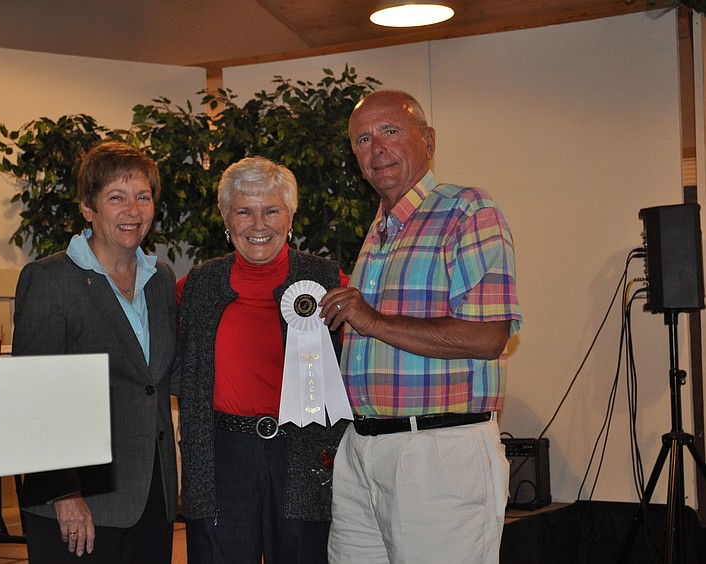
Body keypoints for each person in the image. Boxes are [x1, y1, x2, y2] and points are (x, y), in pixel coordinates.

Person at [319, 89, 522, 564]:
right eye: (363, 139)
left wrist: (372, 321)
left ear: (427, 140)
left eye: (390, 131)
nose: (376, 148)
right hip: (363, 448)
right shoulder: (380, 227)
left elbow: (490, 336)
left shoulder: (467, 210)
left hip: (437, 452)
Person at [12, 140, 180, 563]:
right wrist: (65, 494)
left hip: (151, 494)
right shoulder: (50, 279)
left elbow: (160, 378)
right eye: (116, 198)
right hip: (78, 502)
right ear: (88, 208)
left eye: (143, 197)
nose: (133, 211)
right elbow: (34, 396)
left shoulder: (160, 278)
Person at [177, 156, 349, 564]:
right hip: (220, 458)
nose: (259, 224)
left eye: (272, 210)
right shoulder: (196, 286)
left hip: (304, 456)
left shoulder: (329, 282)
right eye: (244, 211)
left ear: (290, 217)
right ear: (226, 219)